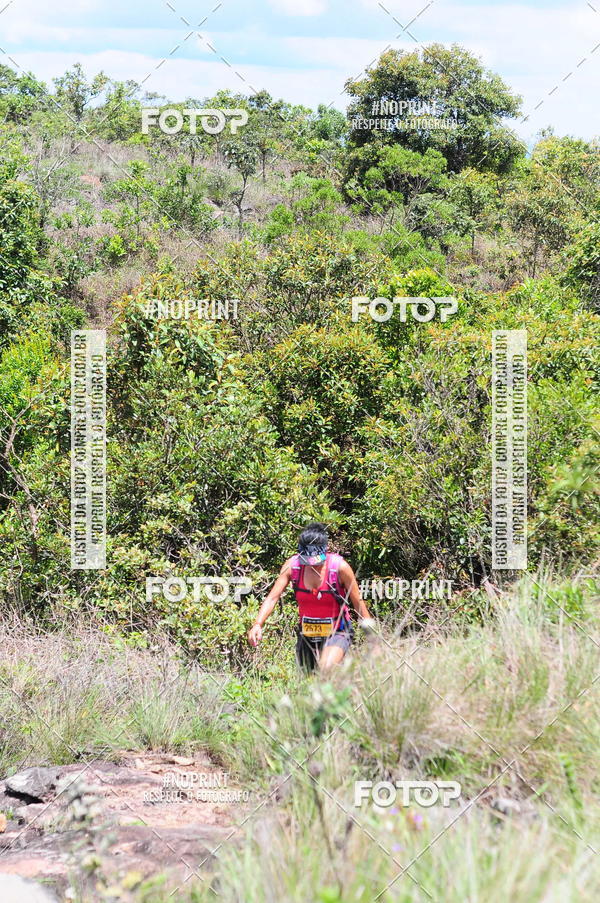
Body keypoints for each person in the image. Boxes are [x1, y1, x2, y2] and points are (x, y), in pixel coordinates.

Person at [247, 522, 375, 671]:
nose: (312, 565)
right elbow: (272, 597)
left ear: (325, 552)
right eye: (307, 561)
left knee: (326, 668)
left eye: (317, 561)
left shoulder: (340, 568)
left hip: (338, 630)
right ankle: (348, 690)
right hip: (307, 632)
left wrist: (372, 637)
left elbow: (358, 603)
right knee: (309, 682)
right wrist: (258, 624)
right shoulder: (292, 566)